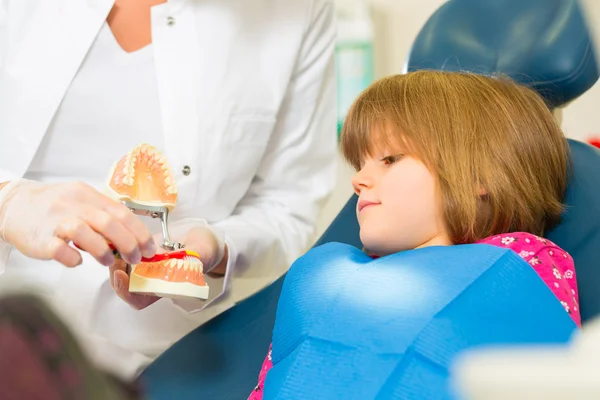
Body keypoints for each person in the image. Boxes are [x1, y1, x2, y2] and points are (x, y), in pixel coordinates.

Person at [0, 0, 337, 379]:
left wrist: (217, 247)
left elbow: (288, 206)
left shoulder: (297, 11)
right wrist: (8, 201)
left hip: (167, 361)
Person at [247, 70, 581, 399]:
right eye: (359, 164)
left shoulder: (521, 260)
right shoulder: (328, 277)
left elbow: (553, 379)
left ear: (478, 175)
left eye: (389, 159)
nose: (358, 179)